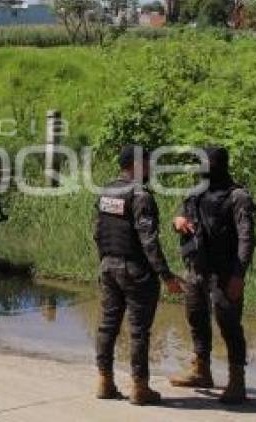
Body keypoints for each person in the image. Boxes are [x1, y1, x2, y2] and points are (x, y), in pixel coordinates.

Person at [94, 145, 183, 405]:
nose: (151, 168)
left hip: (108, 266)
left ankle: (104, 381)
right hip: (135, 271)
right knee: (138, 331)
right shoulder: (140, 196)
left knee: (107, 326)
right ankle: (140, 388)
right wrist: (166, 276)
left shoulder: (106, 191)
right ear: (135, 165)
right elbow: (149, 242)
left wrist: (105, 261)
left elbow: (98, 231)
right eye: (147, 163)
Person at [170, 146, 256, 404]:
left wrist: (238, 276)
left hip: (225, 270)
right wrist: (178, 222)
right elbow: (181, 217)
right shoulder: (197, 192)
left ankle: (237, 379)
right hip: (197, 267)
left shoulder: (238, 197)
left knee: (228, 322)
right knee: (195, 316)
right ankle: (201, 370)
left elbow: (246, 238)